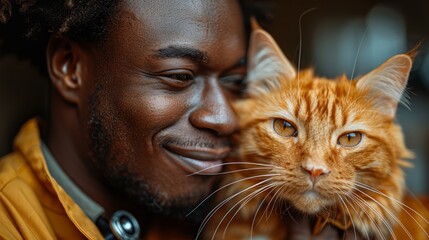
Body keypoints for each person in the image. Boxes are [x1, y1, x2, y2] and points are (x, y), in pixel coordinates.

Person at [0, 0, 364, 239]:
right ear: (69, 67)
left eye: (235, 82)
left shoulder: (218, 217)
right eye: (179, 76)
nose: (225, 118)